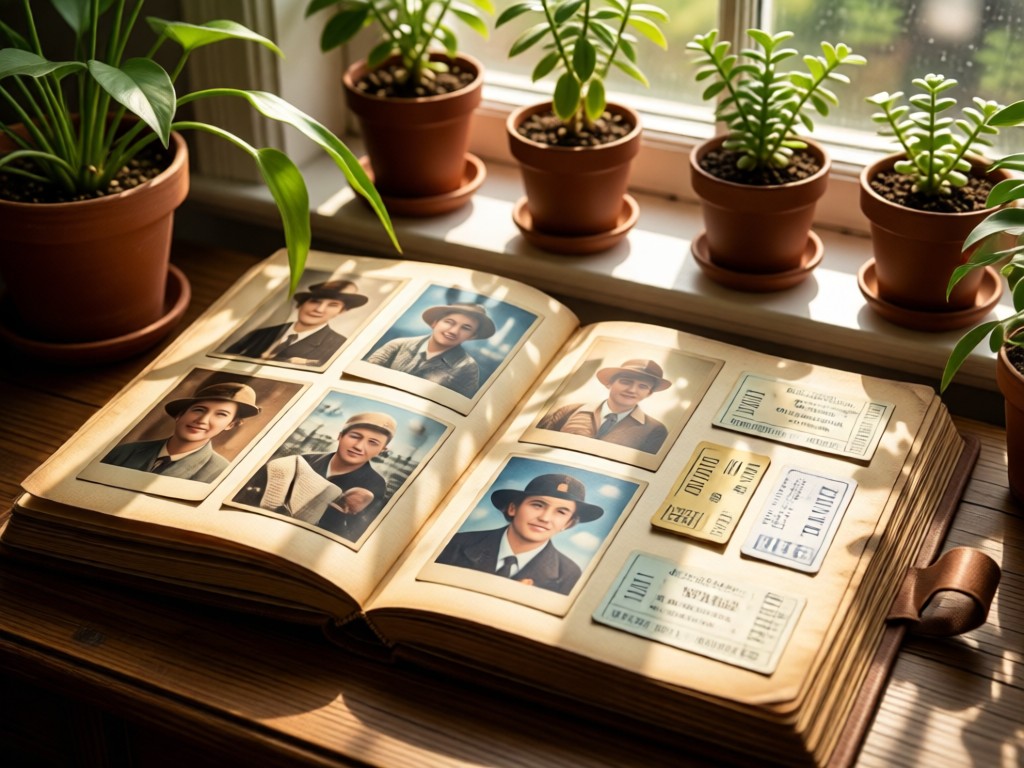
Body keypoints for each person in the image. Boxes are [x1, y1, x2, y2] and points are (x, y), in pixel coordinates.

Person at [234, 412, 396, 541]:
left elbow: (352, 535)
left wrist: (338, 515)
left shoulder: (376, 485)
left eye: (373, 442)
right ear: (340, 436)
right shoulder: (304, 460)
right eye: (354, 436)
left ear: (382, 450)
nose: (359, 447)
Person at [436, 473, 604, 595]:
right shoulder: (457, 543)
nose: (545, 518)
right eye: (537, 505)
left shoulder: (567, 573)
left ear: (567, 523)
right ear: (513, 508)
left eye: (561, 512)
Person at [101, 382, 261, 483]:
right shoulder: (124, 452)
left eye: (221, 414)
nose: (203, 420)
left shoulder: (220, 472)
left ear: (231, 424)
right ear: (179, 414)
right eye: (199, 410)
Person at [537, 358, 671, 454]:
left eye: (643, 386)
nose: (632, 390)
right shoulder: (568, 411)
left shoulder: (655, 430)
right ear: (609, 384)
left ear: (649, 393)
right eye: (626, 382)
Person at [225, 279, 369, 366]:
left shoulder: (339, 345)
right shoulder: (259, 334)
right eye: (314, 301)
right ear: (300, 304)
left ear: (341, 312)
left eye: (333, 305)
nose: (319, 309)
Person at [365, 302, 496, 397]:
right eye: (449, 322)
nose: (454, 331)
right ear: (435, 322)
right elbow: (366, 376)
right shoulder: (397, 345)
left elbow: (456, 406)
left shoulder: (467, 367)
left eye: (466, 328)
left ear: (472, 336)